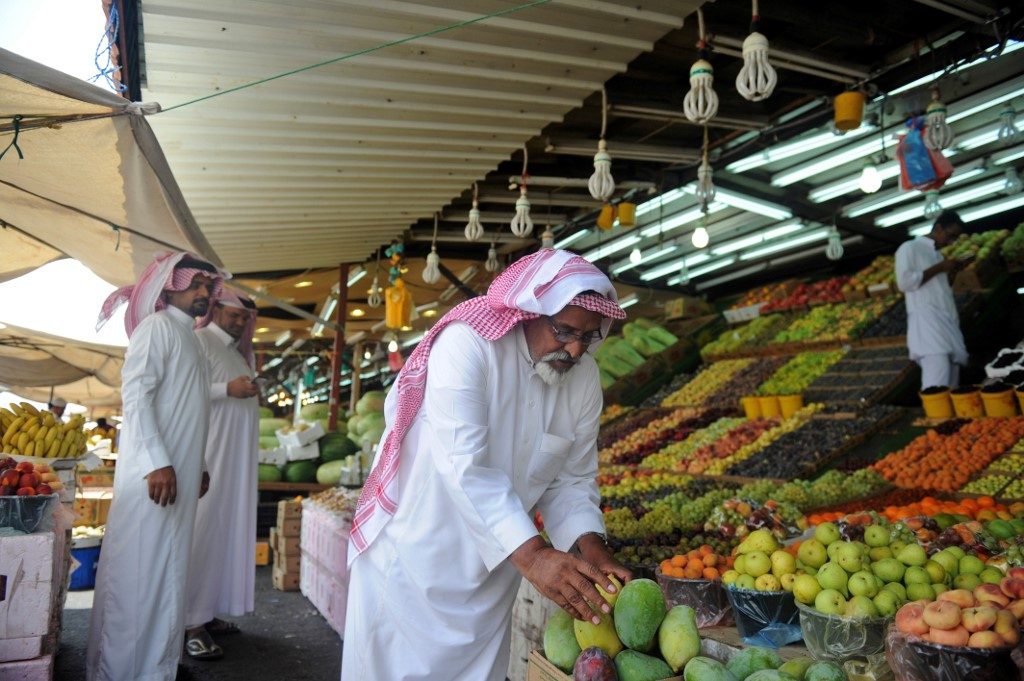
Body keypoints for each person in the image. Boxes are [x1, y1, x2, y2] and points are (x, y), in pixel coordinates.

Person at [342, 249, 632, 681]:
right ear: (530, 312)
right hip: (415, 563)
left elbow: (571, 480)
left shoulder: (583, 379)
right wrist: (535, 558)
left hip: (494, 573)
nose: (574, 349)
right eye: (564, 331)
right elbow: (466, 468)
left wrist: (592, 551)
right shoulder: (468, 344)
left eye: (589, 337)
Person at [87, 252, 225, 681]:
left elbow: (190, 410)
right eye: (195, 283)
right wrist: (156, 463)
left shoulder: (192, 340)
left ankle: (156, 668)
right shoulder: (156, 329)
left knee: (167, 574)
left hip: (178, 477)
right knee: (140, 575)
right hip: (155, 480)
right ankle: (122, 671)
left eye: (208, 286)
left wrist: (198, 463)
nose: (203, 292)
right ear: (170, 284)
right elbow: (138, 398)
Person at [183, 291, 260, 660]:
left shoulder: (233, 350)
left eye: (245, 318)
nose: (239, 322)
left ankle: (208, 612)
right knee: (204, 534)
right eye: (234, 315)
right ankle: (190, 625)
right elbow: (183, 392)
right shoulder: (200, 342)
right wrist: (226, 389)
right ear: (216, 310)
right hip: (211, 460)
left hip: (235, 463)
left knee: (223, 535)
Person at [895, 210, 971, 390]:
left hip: (946, 322)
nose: (951, 242)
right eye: (950, 236)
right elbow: (905, 282)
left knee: (952, 382)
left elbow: (939, 289)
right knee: (937, 382)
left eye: (955, 239)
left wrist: (953, 271)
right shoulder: (909, 248)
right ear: (938, 228)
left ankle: (949, 418)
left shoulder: (938, 255)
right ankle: (936, 417)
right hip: (928, 324)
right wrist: (940, 268)